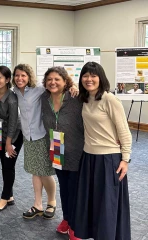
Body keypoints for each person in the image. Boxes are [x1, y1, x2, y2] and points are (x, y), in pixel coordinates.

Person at [71, 62, 132, 240]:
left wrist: (125, 159)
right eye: (85, 76)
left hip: (109, 159)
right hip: (89, 157)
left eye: (93, 76)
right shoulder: (84, 98)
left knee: (107, 206)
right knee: (91, 205)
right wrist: (73, 88)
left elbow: (124, 132)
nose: (89, 79)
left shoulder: (109, 99)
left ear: (101, 78)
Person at [12, 64, 79, 220]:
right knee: (35, 171)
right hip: (28, 137)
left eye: (23, 75)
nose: (20, 78)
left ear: (29, 77)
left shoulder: (39, 90)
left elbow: (61, 86)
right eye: (17, 75)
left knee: (45, 172)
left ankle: (51, 202)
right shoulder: (15, 91)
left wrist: (74, 85)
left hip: (43, 135)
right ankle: (37, 204)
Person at [41, 67, 84, 240]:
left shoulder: (75, 98)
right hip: (56, 147)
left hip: (76, 149)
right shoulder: (44, 98)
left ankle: (76, 225)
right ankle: (66, 219)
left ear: (65, 81)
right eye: (49, 79)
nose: (53, 82)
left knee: (75, 189)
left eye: (57, 79)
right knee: (64, 188)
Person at [0, 66, 23, 212]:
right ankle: (9, 196)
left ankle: (4, 198)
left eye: (0, 78)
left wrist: (9, 143)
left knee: (9, 166)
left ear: (7, 80)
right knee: (4, 165)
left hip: (14, 134)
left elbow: (13, 123)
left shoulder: (11, 98)